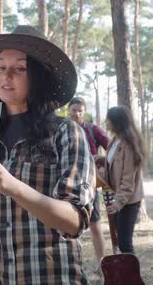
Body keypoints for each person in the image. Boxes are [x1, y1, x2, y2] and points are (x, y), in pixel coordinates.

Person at [0, 25, 96, 284]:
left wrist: (11, 186)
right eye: (0, 67)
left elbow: (75, 221)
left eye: (20, 68)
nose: (7, 75)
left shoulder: (66, 133)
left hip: (51, 277)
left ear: (39, 76)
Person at [68, 97, 110, 271]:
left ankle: (103, 267)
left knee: (95, 225)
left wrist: (100, 160)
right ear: (68, 111)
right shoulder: (61, 129)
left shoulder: (92, 130)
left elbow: (114, 148)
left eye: (80, 110)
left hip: (90, 185)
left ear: (84, 112)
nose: (77, 113)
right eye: (74, 110)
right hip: (67, 184)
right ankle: (70, 267)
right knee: (67, 225)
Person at [103, 105, 146, 254]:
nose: (105, 122)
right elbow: (115, 163)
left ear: (117, 122)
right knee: (121, 242)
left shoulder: (129, 146)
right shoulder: (114, 141)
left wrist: (117, 203)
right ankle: (126, 276)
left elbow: (128, 180)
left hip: (128, 201)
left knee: (125, 243)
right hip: (118, 198)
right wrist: (101, 159)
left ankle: (133, 277)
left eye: (108, 119)